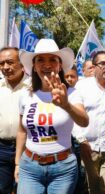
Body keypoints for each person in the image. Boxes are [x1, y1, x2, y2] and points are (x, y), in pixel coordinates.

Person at [15, 39, 89, 194]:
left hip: (63, 169)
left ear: (60, 65)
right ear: (34, 67)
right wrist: (17, 163)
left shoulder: (72, 93)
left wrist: (66, 105)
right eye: (40, 60)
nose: (47, 65)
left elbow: (84, 121)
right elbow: (22, 132)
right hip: (29, 167)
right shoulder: (25, 95)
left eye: (52, 60)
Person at [73, 51, 105, 194]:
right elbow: (75, 117)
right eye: (102, 63)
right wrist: (81, 140)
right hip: (88, 148)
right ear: (94, 67)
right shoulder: (82, 86)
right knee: (91, 188)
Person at [0, 47, 30, 194]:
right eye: (1, 63)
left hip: (27, 150)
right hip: (2, 148)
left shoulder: (33, 87)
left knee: (23, 189)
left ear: (22, 63)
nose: (5, 67)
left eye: (10, 62)